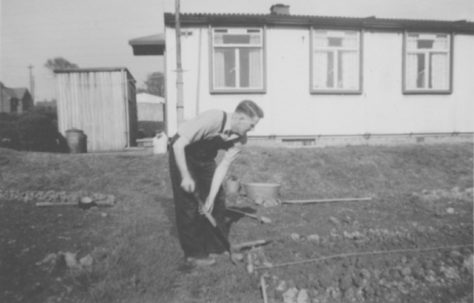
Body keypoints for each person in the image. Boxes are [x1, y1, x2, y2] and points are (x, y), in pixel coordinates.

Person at [168, 100, 264, 266]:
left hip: (205, 159)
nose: (252, 129)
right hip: (183, 153)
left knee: (217, 200)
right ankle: (194, 254)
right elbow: (178, 144)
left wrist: (210, 199)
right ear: (240, 118)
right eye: (251, 125)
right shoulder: (213, 119)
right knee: (188, 204)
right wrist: (185, 176)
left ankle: (215, 247)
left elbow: (223, 166)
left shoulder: (240, 139)